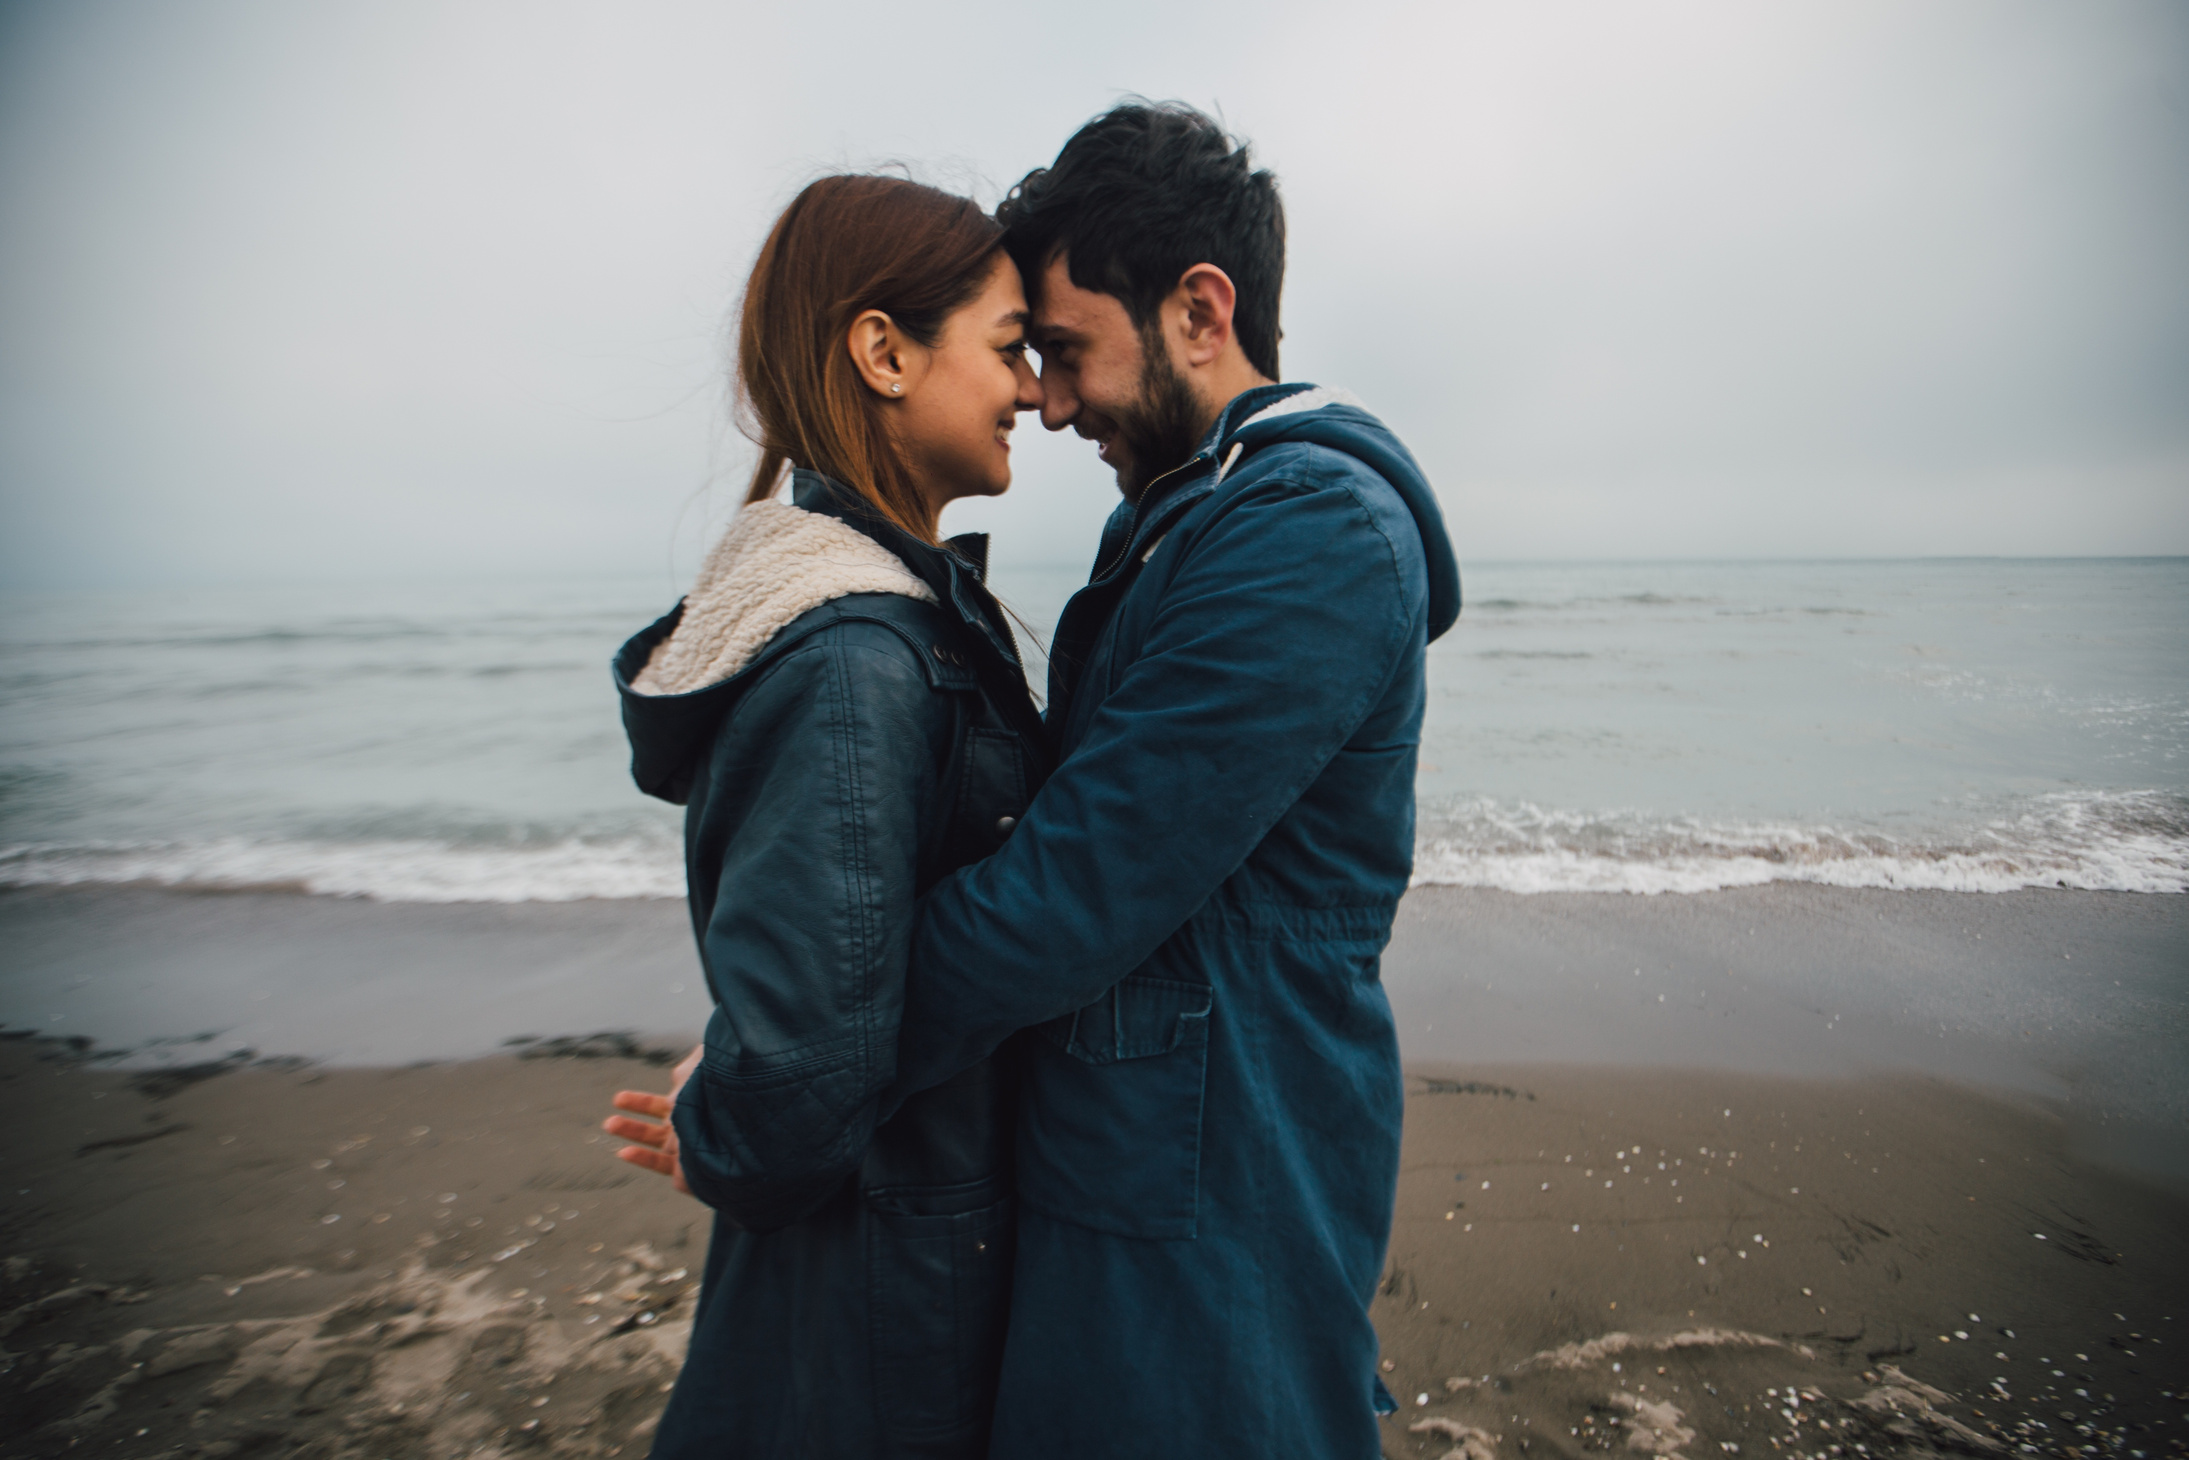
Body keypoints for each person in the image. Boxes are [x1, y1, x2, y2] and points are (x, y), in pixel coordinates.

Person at [880, 103, 1462, 1459]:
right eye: (1033, 360)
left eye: (1069, 351)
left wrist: (803, 1059)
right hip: (1143, 1156)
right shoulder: (1194, 512)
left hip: (1219, 1175)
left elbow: (1074, 886)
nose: (1051, 399)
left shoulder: (1309, 530)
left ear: (1201, 310)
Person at [601, 173, 1047, 1459]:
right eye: (1008, 348)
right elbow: (799, 1077)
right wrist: (726, 1123)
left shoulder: (878, 629)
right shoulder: (855, 660)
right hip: (890, 1294)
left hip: (894, 1251)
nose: (1030, 390)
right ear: (882, 351)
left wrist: (737, 1096)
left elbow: (814, 990)